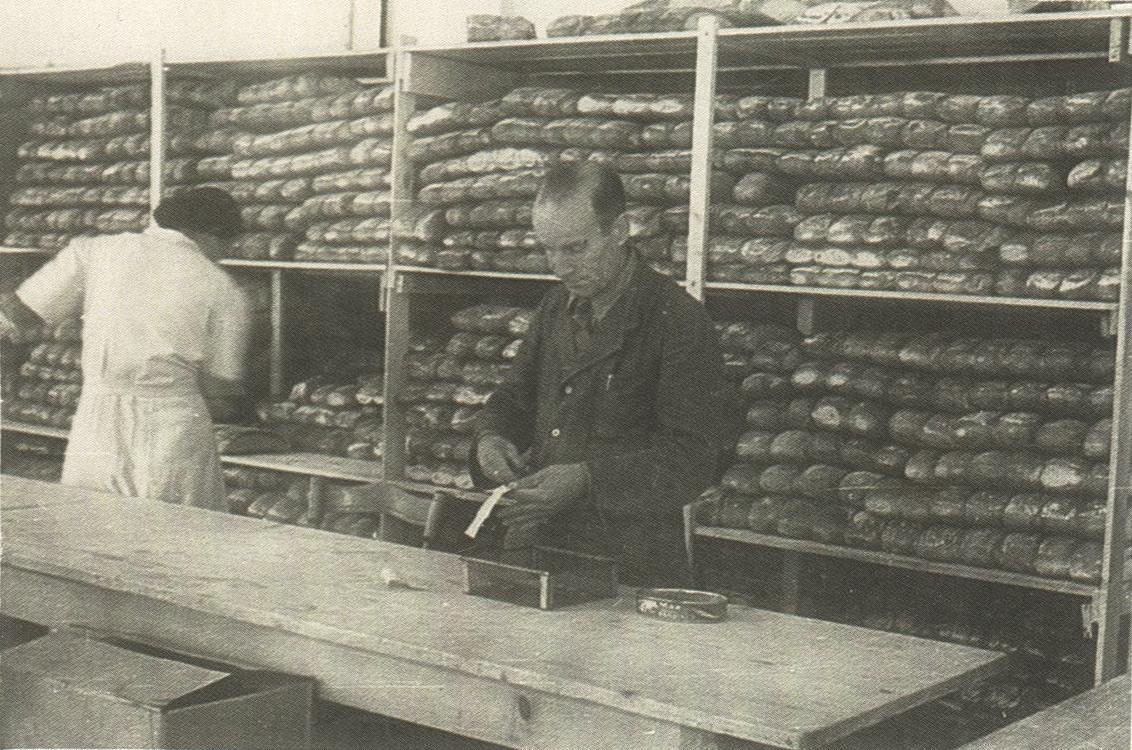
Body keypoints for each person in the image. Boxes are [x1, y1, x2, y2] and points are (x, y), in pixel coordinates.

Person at [470, 162, 729, 586]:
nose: (559, 267)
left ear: (621, 229)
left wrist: (587, 479)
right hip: (545, 547)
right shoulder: (554, 308)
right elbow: (514, 399)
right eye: (548, 250)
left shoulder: (676, 320)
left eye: (575, 248)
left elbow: (691, 460)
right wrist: (491, 439)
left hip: (633, 565)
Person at [0, 187, 252, 511]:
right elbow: (219, 387)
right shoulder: (222, 287)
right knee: (176, 535)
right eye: (226, 245)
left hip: (98, 416)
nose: (223, 254)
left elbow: (20, 314)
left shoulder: (95, 251)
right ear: (211, 235)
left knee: (90, 523)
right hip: (173, 423)